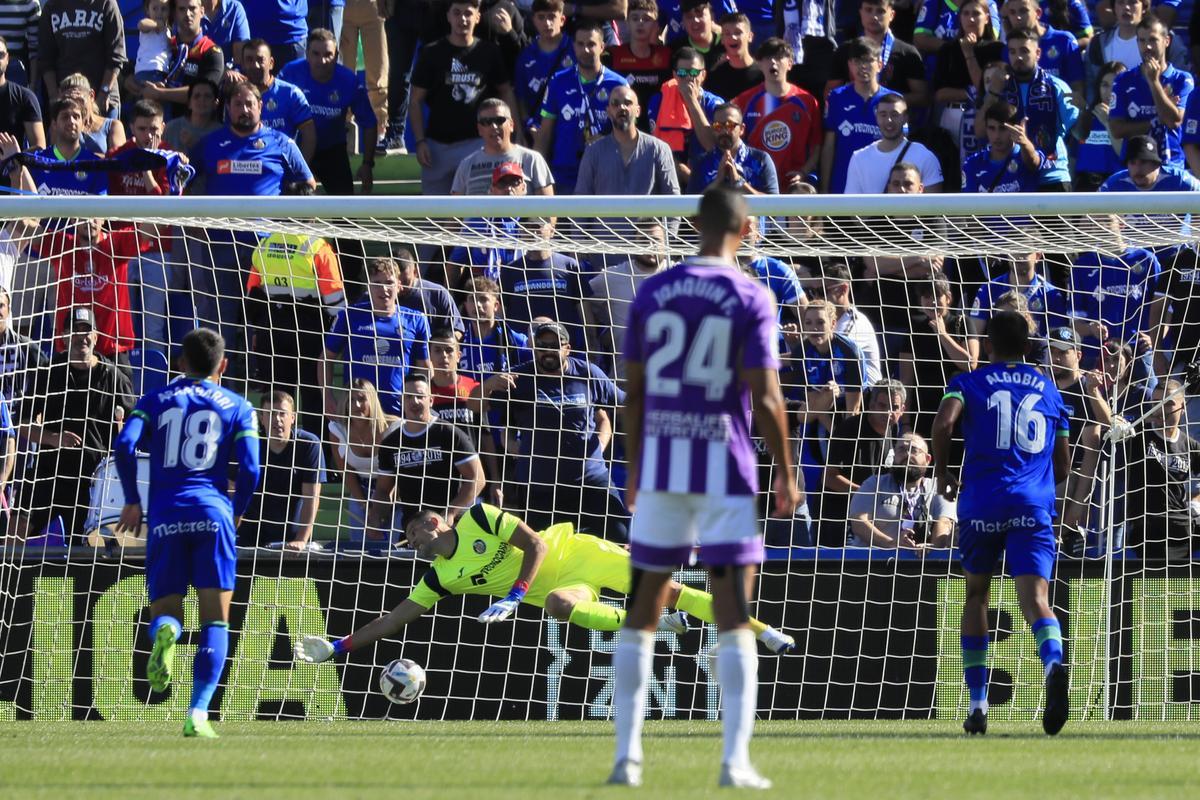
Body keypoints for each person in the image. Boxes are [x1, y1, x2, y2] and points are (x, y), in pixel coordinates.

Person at [611, 187, 800, 790]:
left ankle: (627, 759)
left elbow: (633, 393)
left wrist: (636, 466)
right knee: (733, 613)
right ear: (746, 230)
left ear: (695, 226)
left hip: (664, 468)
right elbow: (767, 395)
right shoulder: (752, 294)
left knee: (641, 609)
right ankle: (733, 762)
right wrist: (788, 470)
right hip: (724, 471)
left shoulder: (652, 292)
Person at [294, 504, 796, 667]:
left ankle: (762, 629)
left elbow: (534, 546)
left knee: (671, 590)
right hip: (561, 586)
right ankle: (654, 625)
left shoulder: (476, 517)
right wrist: (338, 645)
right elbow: (395, 618)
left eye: (415, 530)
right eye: (408, 538)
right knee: (559, 604)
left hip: (578, 553)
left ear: (435, 523)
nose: (413, 539)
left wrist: (514, 595)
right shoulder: (439, 577)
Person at [932, 309, 1071, 737]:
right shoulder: (1050, 391)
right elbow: (1064, 467)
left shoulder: (966, 383)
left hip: (982, 504)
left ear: (988, 345)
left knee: (976, 595)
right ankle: (1052, 662)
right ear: (1029, 348)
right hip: (1031, 506)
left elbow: (943, 423)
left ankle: (978, 706)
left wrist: (941, 470)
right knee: (1036, 599)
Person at [112, 336, 259, 738]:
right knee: (215, 619)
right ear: (223, 365)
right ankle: (197, 714)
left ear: (180, 360)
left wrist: (131, 500)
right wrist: (238, 507)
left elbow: (124, 444)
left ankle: (169, 633)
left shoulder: (156, 398)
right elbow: (250, 469)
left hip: (165, 516)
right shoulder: (239, 406)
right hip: (213, 515)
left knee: (167, 611)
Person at [187, 82, 314, 368]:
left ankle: (265, 381)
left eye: (249, 104)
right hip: (221, 243)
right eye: (237, 105)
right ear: (228, 109)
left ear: (260, 107)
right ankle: (225, 381)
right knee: (223, 318)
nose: (244, 110)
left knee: (267, 316)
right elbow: (185, 179)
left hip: (268, 247)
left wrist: (289, 226)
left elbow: (308, 184)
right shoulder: (209, 144)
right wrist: (194, 219)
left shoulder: (282, 142)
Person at [13, 308, 133, 541]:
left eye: (87, 331)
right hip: (50, 471)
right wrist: (53, 438)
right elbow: (23, 423)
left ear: (96, 336)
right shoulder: (48, 372)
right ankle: (5, 573)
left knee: (92, 546)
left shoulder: (114, 377)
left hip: (95, 479)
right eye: (75, 331)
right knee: (15, 529)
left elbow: (133, 426)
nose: (82, 337)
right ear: (64, 337)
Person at [409, 0, 521, 196]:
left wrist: (513, 132)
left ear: (478, 17)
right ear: (448, 16)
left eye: (468, 13)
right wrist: (420, 141)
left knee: (478, 219)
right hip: (437, 148)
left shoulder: (489, 52)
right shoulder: (431, 52)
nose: (463, 19)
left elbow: (506, 91)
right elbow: (415, 100)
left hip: (478, 146)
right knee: (437, 220)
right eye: (457, 13)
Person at [245, 224, 346, 437]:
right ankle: (317, 461)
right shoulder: (318, 247)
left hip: (270, 329)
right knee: (313, 399)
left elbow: (252, 293)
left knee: (276, 400)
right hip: (309, 330)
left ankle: (275, 458)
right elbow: (335, 302)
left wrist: (257, 331)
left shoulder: (264, 245)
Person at [369, 370, 485, 539]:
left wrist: (451, 512)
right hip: (412, 531)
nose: (414, 401)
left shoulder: (449, 433)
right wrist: (376, 517)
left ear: (430, 400)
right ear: (402, 400)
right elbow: (383, 489)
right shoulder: (391, 443)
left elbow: (477, 479)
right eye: (408, 396)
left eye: (420, 396)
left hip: (447, 530)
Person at [36, 218, 151, 371]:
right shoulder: (62, 245)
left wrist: (173, 197)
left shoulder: (117, 243)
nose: (89, 221)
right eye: (83, 217)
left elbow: (151, 230)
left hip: (112, 350)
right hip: (72, 350)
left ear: (103, 219)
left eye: (94, 215)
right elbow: (24, 226)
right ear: (72, 220)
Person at [323, 256, 431, 417]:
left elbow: (425, 367)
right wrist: (327, 397)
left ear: (399, 285)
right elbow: (326, 358)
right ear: (368, 286)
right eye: (377, 283)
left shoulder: (416, 319)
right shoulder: (349, 316)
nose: (384, 289)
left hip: (398, 411)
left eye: (389, 283)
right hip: (358, 410)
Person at [975, 27, 1078, 190]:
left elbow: (1078, 132)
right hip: (1013, 178)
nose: (1018, 57)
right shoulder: (1000, 87)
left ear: (1037, 53)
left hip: (1052, 175)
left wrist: (1084, 110)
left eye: (1024, 51)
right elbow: (980, 131)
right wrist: (993, 92)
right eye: (1013, 52)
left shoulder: (1056, 86)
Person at [280, 28, 378, 195]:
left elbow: (369, 123)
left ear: (337, 55)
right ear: (307, 54)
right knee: (286, 206)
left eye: (328, 55)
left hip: (332, 150)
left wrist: (367, 164)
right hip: (295, 150)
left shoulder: (348, 81)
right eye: (316, 54)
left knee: (346, 213)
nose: (322, 60)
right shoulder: (290, 73)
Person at [535, 20, 628, 194]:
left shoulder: (618, 84)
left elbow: (629, 131)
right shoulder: (558, 81)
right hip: (565, 174)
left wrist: (606, 138)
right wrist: (537, 174)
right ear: (573, 46)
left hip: (606, 171)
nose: (585, 50)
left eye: (591, 44)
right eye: (580, 44)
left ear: (602, 46)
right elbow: (545, 132)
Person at [1119, 378, 1200, 560]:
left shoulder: (1189, 444)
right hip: (1148, 526)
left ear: (1183, 406)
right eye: (1156, 403)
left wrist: (1196, 502)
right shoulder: (1138, 433)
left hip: (1182, 524)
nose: (1161, 409)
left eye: (1168, 403)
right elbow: (1113, 420)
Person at [819, 378, 906, 546]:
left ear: (902, 410)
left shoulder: (893, 429)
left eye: (894, 407)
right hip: (839, 518)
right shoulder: (850, 430)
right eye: (882, 405)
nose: (888, 412)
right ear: (871, 406)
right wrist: (868, 493)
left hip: (871, 518)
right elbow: (828, 478)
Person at [733, 37, 822, 191]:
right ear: (759, 64)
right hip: (755, 186)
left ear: (790, 63)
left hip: (794, 187)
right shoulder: (744, 101)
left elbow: (817, 145)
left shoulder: (807, 102)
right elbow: (734, 141)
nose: (773, 62)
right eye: (768, 58)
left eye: (779, 57)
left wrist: (803, 172)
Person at [240, 390, 326, 548]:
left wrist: (301, 539)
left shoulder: (308, 444)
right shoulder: (250, 444)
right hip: (250, 532)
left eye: (282, 414)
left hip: (292, 536)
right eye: (271, 413)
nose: (277, 419)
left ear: (293, 418)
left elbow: (311, 498)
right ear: (261, 418)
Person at [1108, 16, 1190, 169]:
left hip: (1171, 165)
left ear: (1167, 41)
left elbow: (1174, 121)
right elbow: (1117, 129)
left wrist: (1154, 82)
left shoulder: (1182, 80)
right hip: (1133, 166)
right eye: (1142, 40)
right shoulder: (1123, 80)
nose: (1148, 47)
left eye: (1153, 40)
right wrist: (1157, 120)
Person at [849, 432, 956, 548]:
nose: (907, 454)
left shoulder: (937, 487)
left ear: (927, 459)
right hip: (872, 561)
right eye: (901, 450)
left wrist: (932, 548)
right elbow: (859, 522)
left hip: (921, 561)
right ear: (894, 455)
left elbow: (944, 522)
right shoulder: (874, 484)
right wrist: (891, 544)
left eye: (914, 450)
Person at [575, 85, 679, 196]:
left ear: (638, 111)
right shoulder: (593, 152)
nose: (622, 107)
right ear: (608, 112)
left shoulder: (659, 149)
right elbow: (581, 199)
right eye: (615, 104)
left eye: (628, 103)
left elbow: (674, 198)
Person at [931, 0, 1002, 162]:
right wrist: (969, 93)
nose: (970, 19)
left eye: (976, 13)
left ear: (987, 18)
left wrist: (968, 53)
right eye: (966, 14)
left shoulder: (997, 49)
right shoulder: (947, 50)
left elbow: (985, 88)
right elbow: (939, 94)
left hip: (985, 117)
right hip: (952, 116)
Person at [821, 38, 892, 194]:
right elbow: (829, 146)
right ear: (850, 65)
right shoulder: (836, 98)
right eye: (857, 61)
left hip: (882, 190)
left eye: (868, 60)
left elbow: (900, 146)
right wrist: (824, 191)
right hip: (843, 187)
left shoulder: (893, 101)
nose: (863, 66)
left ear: (880, 65)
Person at [830, 0, 928, 109]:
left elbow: (923, 97)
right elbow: (830, 93)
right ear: (860, 12)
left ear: (891, 15)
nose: (874, 16)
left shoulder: (908, 53)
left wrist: (884, 99)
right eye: (868, 10)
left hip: (890, 122)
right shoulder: (845, 50)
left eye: (880, 11)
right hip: (851, 119)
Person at [645, 47, 721, 188]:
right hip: (671, 177)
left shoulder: (714, 104)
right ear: (674, 75)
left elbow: (712, 145)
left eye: (693, 73)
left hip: (710, 180)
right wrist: (688, 176)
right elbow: (658, 149)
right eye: (682, 73)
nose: (687, 78)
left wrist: (692, 101)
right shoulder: (658, 102)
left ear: (703, 75)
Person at [135, 0, 226, 117]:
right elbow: (143, 64)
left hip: (194, 125)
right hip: (157, 123)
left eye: (192, 8)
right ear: (174, 14)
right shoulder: (165, 45)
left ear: (202, 11)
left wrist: (160, 93)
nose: (187, 14)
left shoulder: (211, 51)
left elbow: (203, 92)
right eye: (182, 9)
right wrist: (131, 81)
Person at [235, 39, 317, 161]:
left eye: (260, 60)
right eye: (249, 60)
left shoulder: (290, 93)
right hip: (246, 166)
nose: (255, 65)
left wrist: (299, 169)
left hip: (281, 166)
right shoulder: (235, 95)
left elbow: (309, 136)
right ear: (242, 64)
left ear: (271, 63)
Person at [843, 93, 943, 194]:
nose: (889, 120)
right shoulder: (859, 158)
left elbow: (933, 206)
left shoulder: (925, 157)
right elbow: (851, 205)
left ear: (905, 118)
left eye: (895, 115)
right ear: (876, 117)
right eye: (883, 115)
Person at [451, 98, 554, 196]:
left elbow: (549, 209)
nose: (494, 126)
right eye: (486, 122)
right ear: (479, 129)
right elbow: (454, 211)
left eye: (499, 120)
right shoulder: (466, 165)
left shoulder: (532, 160)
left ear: (511, 125)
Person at [39, 0, 125, 113]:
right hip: (65, 101)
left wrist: (103, 93)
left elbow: (116, 56)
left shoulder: (106, 3)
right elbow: (46, 58)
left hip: (102, 97)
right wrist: (54, 96)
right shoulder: (52, 6)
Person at [686, 102, 778, 194]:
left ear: (742, 129)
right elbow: (689, 206)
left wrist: (739, 182)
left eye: (730, 125)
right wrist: (717, 182)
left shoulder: (761, 160)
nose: (724, 131)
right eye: (717, 126)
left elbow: (775, 204)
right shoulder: (701, 163)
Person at [607, 0, 671, 129]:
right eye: (635, 18)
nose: (640, 23)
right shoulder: (613, 56)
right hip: (623, 129)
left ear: (655, 25)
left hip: (658, 130)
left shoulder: (666, 56)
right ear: (627, 23)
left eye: (646, 19)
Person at [512, 0, 572, 136]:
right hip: (537, 131)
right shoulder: (525, 56)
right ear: (533, 20)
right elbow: (521, 98)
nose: (547, 23)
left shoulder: (575, 49)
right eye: (541, 17)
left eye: (551, 17)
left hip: (570, 129)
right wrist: (528, 124)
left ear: (562, 19)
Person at [26, 97, 106, 195]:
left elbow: (100, 207)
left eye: (76, 117)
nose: (71, 121)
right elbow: (22, 204)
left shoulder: (95, 165)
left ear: (83, 125)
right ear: (54, 124)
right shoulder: (36, 161)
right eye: (65, 116)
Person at [962, 102, 1048, 193]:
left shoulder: (1026, 155)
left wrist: (1025, 143)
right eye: (991, 128)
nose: (997, 135)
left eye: (1002, 128)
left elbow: (1033, 163)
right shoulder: (972, 164)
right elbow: (968, 203)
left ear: (1015, 128)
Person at [458, 276, 531, 380]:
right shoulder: (459, 344)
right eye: (472, 299)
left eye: (483, 299)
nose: (478, 305)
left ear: (496, 306)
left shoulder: (517, 341)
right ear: (466, 305)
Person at [822, 261, 883, 386]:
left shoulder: (855, 323)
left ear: (844, 289)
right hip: (840, 390)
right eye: (812, 291)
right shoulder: (824, 321)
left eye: (823, 291)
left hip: (867, 396)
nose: (817, 297)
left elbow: (827, 353)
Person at [394, 251, 464, 337]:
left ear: (416, 272)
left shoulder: (438, 294)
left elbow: (457, 331)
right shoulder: (380, 297)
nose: (400, 287)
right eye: (396, 282)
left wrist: (440, 346)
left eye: (405, 282)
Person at [57, 73, 124, 154]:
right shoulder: (60, 125)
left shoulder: (113, 125)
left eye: (79, 99)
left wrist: (88, 158)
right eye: (69, 101)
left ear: (91, 96)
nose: (75, 105)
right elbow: (56, 155)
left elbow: (119, 159)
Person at [704, 13, 761, 103]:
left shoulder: (763, 74)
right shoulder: (715, 77)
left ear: (750, 36)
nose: (733, 37)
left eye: (738, 32)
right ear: (722, 39)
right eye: (727, 34)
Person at [0, 35, 42, 149]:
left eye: (1, 55)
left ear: (7, 58)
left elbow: (39, 148)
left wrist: (17, 160)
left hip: (13, 165)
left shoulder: (25, 97)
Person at [163, 79, 222, 153]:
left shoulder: (221, 132)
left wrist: (197, 146)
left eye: (207, 96)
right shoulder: (172, 127)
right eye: (197, 96)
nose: (202, 100)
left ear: (215, 104)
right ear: (189, 103)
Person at [134, 0, 173, 88]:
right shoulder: (148, 25)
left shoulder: (168, 30)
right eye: (155, 9)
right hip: (147, 69)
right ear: (148, 10)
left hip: (162, 71)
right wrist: (156, 24)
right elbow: (141, 25)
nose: (159, 13)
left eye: (163, 9)